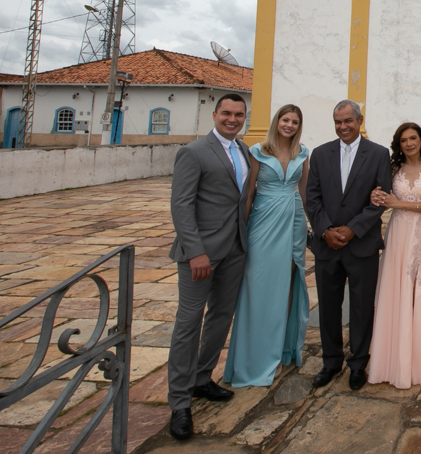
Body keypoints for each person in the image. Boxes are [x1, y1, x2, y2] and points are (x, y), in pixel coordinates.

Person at [165, 93, 252, 440]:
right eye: (226, 113)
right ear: (214, 114)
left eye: (239, 114)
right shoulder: (194, 152)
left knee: (220, 317)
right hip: (200, 254)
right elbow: (181, 205)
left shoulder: (244, 150)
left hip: (235, 248)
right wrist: (195, 251)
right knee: (188, 323)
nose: (232, 119)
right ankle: (179, 402)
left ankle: (202, 378)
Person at [305, 99, 392, 392]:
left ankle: (358, 363)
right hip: (327, 245)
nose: (343, 127)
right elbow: (312, 198)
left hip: (362, 244)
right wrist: (325, 230)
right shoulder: (320, 154)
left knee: (362, 306)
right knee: (328, 307)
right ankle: (331, 361)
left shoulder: (378, 154)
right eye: (338, 122)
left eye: (348, 121)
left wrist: (353, 229)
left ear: (359, 121)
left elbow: (381, 198)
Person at [223, 104, 310, 388]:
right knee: (257, 286)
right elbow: (248, 194)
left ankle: (282, 350)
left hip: (293, 222)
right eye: (285, 120)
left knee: (288, 284)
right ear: (277, 121)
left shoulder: (303, 153)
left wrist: (316, 225)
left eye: (294, 122)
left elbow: (305, 193)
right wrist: (242, 232)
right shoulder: (258, 151)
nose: (289, 125)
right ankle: (254, 357)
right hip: (263, 222)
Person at [366, 122, 421, 388]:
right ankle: (393, 360)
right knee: (396, 289)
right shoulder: (392, 169)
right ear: (398, 145)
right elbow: (379, 196)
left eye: (413, 138)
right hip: (399, 233)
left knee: (420, 290)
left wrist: (398, 203)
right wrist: (375, 195)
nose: (409, 143)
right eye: (404, 140)